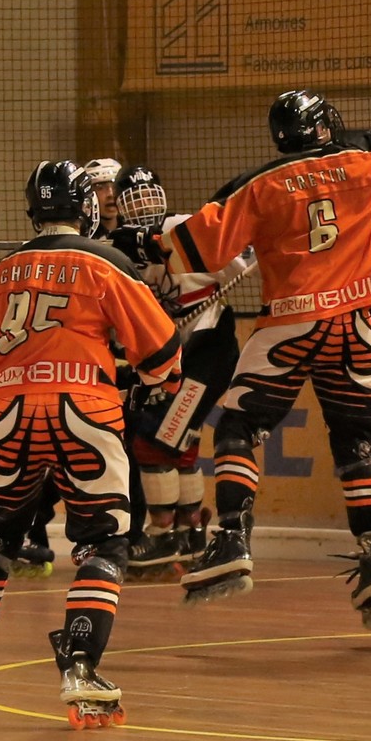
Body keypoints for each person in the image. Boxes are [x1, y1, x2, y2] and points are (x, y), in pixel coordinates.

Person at [110, 34, 371, 629]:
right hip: (355, 324)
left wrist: (140, 241)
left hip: (291, 323)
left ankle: (232, 541)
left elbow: (196, 248)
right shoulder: (366, 159)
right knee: (354, 446)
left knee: (238, 428)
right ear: (323, 125)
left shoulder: (259, 185)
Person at [0, 159, 181, 728]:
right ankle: (81, 667)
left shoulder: (0, 273)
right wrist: (145, 384)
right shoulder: (107, 263)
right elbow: (164, 354)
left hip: (6, 415)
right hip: (84, 413)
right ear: (87, 207)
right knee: (102, 545)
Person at [113, 164, 250, 580]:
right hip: (176, 357)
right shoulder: (118, 248)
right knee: (181, 443)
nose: (144, 203)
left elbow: (241, 259)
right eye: (133, 197)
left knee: (154, 441)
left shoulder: (185, 228)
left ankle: (162, 534)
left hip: (207, 351)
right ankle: (192, 533)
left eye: (148, 193)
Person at [9, 155, 128, 579]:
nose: (108, 195)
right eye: (99, 187)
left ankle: (130, 537)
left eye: (113, 185)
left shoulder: (130, 244)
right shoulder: (90, 253)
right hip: (87, 375)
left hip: (112, 366)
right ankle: (38, 533)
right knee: (55, 455)